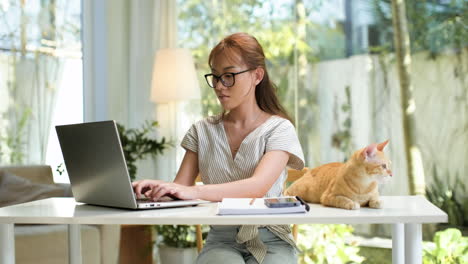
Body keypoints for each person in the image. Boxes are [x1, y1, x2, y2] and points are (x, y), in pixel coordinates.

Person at [132, 32, 304, 264]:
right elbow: (181, 189)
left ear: (257, 75)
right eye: (215, 77)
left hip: (272, 239)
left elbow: (258, 187)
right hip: (221, 240)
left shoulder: (280, 129)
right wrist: (159, 188)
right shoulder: (201, 131)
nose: (219, 86)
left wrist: (195, 191)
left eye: (229, 75)